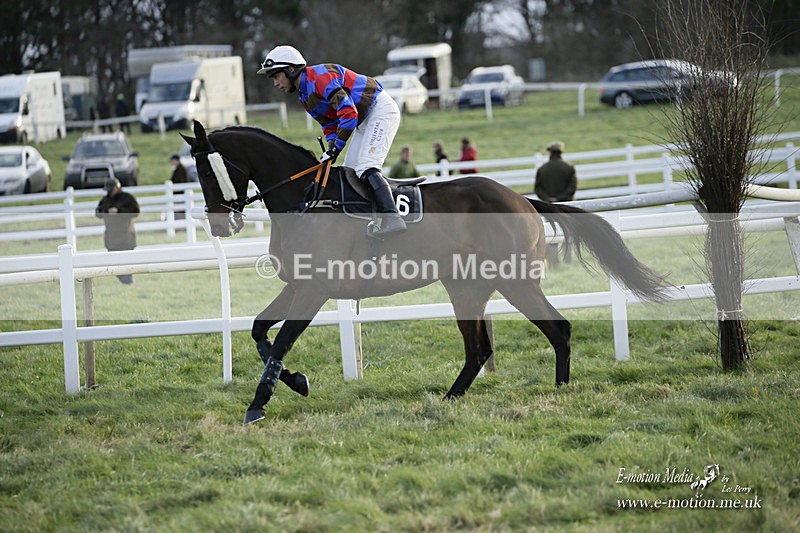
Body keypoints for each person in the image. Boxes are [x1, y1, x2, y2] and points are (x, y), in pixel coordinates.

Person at [257, 45, 406, 236]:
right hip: (363, 120)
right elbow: (329, 125)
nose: (276, 82)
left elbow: (349, 113)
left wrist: (336, 149)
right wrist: (330, 150)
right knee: (350, 172)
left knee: (366, 167)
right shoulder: (304, 96)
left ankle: (393, 218)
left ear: (290, 69)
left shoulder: (321, 77)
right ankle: (368, 221)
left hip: (379, 110)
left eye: (276, 76)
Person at [534, 141, 578, 265]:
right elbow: (572, 188)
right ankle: (568, 261)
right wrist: (560, 198)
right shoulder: (569, 168)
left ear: (550, 152)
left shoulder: (542, 169)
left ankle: (554, 263)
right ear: (561, 152)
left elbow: (538, 189)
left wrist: (549, 199)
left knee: (552, 234)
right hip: (566, 206)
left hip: (548, 207)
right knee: (567, 234)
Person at [95, 178, 140, 284]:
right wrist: (107, 211)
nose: (109, 192)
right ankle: (122, 280)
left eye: (111, 190)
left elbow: (135, 211)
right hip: (112, 236)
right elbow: (98, 213)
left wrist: (119, 211)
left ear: (117, 187)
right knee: (113, 260)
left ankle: (128, 281)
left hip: (126, 235)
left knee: (127, 260)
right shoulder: (105, 200)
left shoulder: (127, 198)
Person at [169, 153, 190, 220]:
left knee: (181, 208)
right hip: (179, 192)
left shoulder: (181, 169)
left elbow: (181, 181)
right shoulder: (178, 169)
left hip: (180, 192)